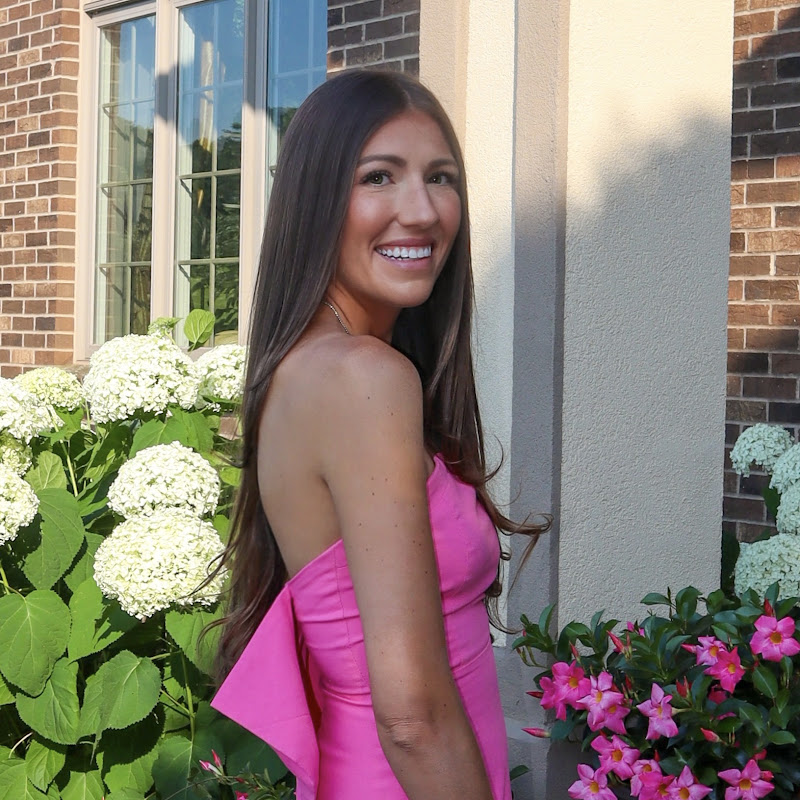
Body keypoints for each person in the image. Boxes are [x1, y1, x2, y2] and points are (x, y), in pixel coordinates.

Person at [210, 69, 549, 800]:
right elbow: (411, 717)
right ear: (316, 201)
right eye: (378, 177)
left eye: (440, 177)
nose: (421, 211)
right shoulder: (363, 379)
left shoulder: (312, 368)